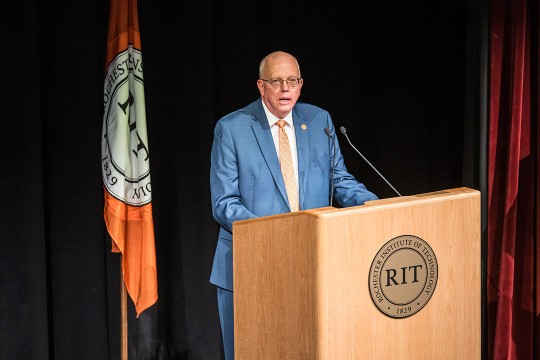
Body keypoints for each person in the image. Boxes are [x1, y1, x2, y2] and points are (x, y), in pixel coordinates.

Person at [209, 50, 378, 359]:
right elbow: (224, 203)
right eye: (276, 81)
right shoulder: (232, 128)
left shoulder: (319, 120)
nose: (285, 89)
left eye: (292, 80)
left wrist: (375, 206)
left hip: (310, 264)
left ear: (301, 85)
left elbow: (338, 180)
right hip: (251, 266)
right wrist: (273, 233)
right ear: (261, 86)